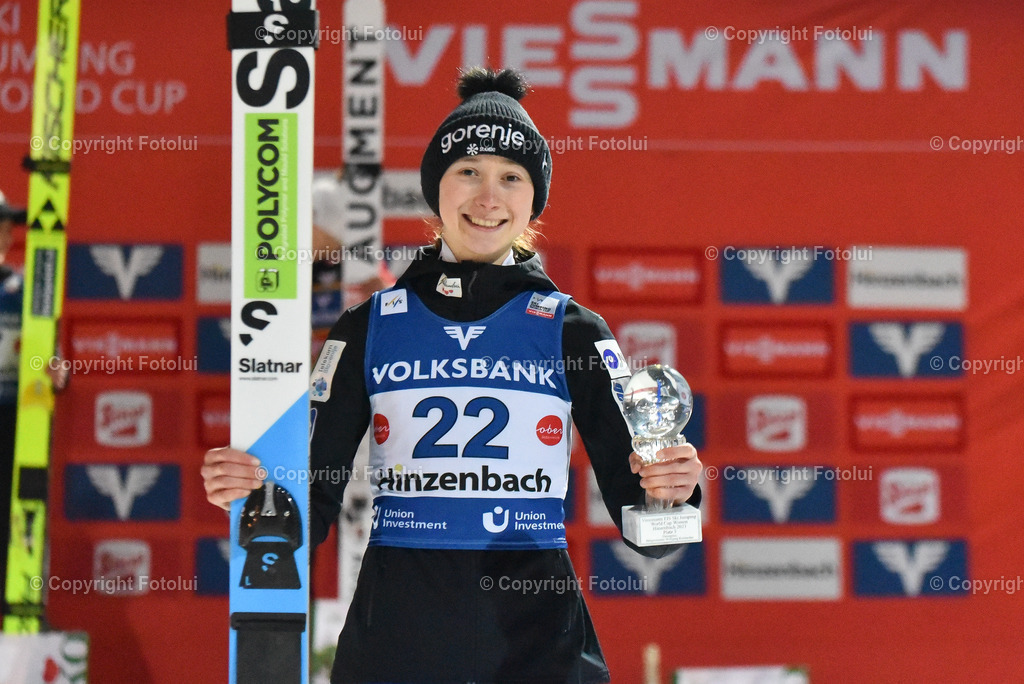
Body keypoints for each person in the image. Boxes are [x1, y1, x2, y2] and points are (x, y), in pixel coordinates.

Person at [203, 67, 702, 683]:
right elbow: (309, 509)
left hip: (536, 645)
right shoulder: (370, 327)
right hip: (398, 640)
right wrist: (250, 490)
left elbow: (652, 537)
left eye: (510, 179)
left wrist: (671, 491)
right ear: (436, 187)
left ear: (532, 201)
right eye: (468, 171)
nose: (488, 198)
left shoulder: (572, 331)